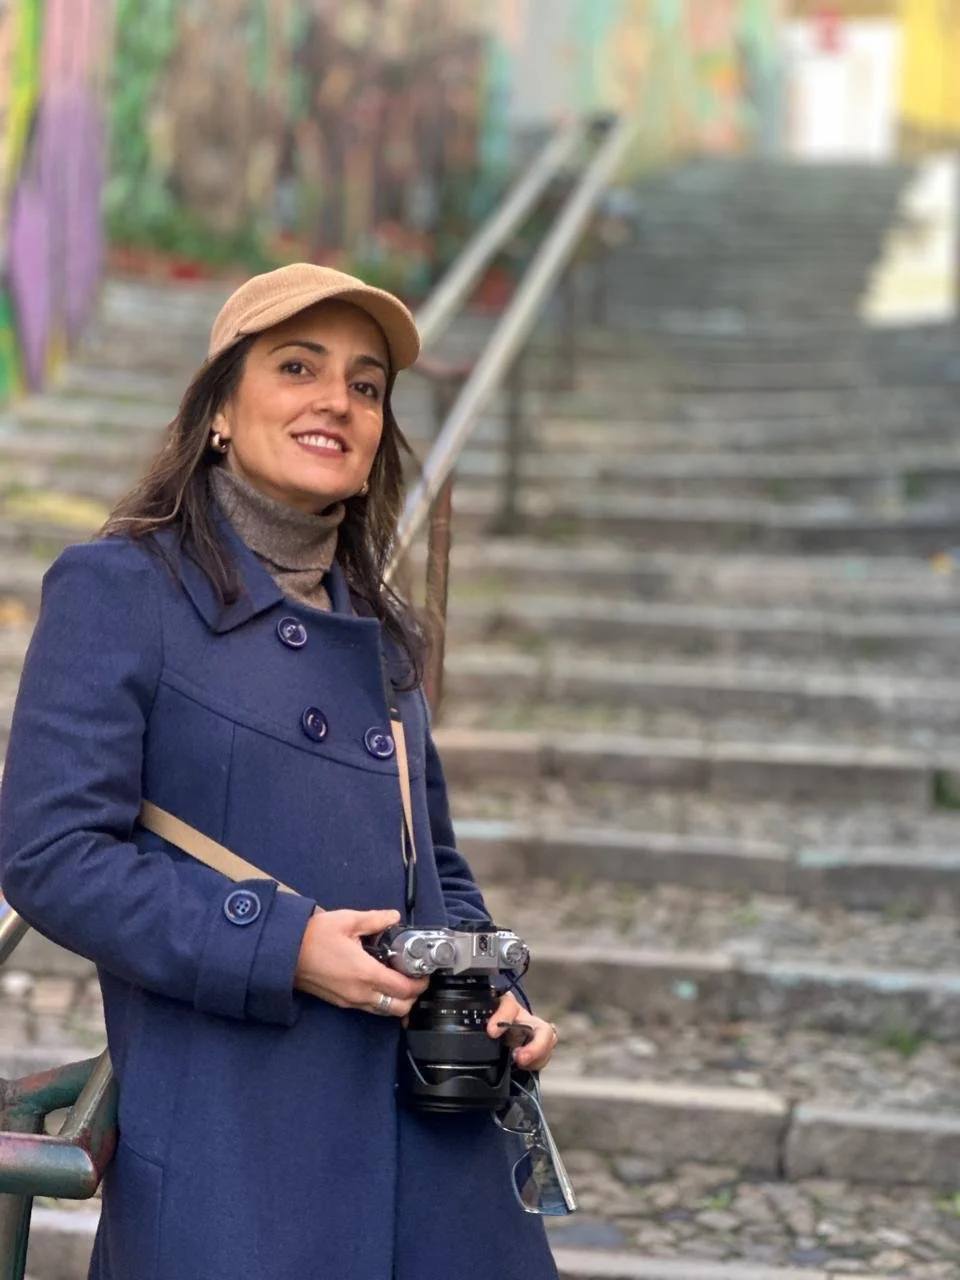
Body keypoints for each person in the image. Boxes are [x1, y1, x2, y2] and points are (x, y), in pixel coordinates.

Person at [0, 264, 560, 1279]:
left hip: (438, 1162)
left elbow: (433, 865)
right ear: (218, 406)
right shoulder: (119, 590)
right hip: (238, 1160)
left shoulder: (376, 626)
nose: (334, 401)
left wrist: (494, 989)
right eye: (297, 366)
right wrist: (280, 944)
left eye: (364, 384)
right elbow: (50, 854)